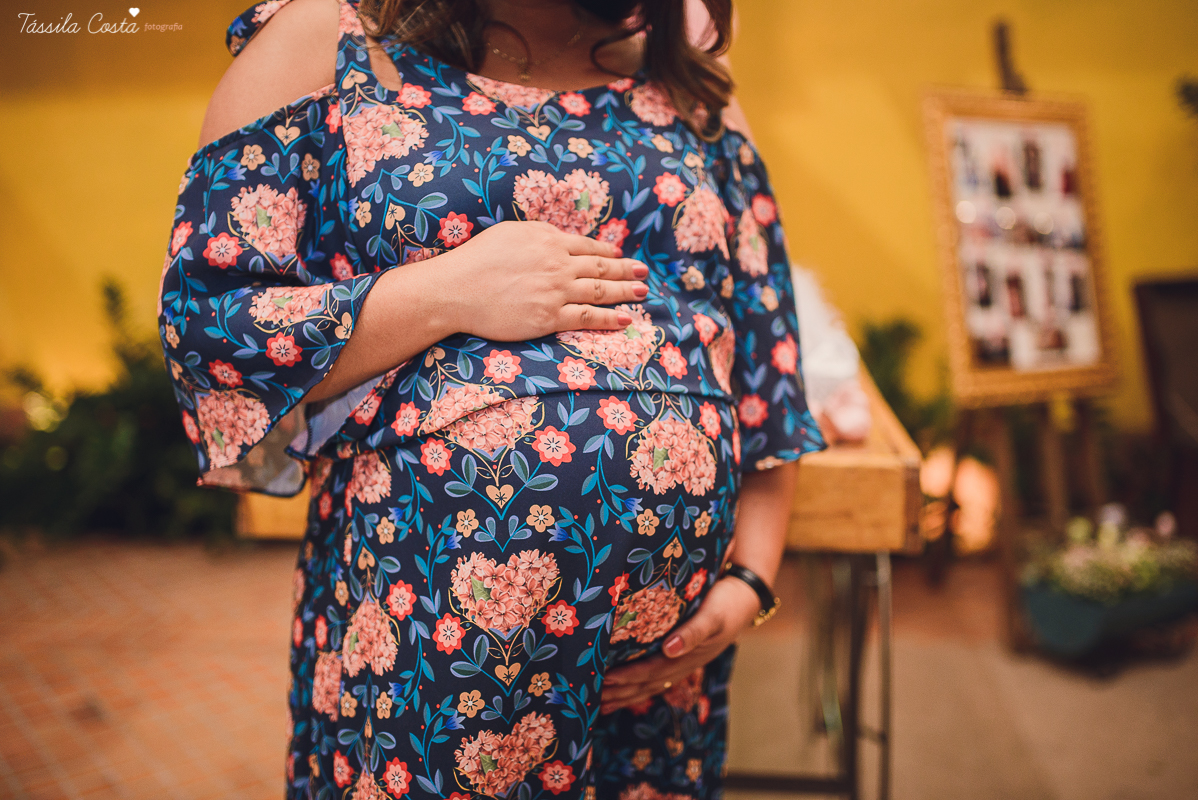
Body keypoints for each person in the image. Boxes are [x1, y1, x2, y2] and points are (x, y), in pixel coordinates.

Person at [157, 1, 825, 797]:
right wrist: (446, 293)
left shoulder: (685, 88)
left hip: (658, 673)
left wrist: (749, 581)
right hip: (434, 642)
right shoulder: (331, 43)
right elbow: (209, 327)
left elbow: (764, 364)